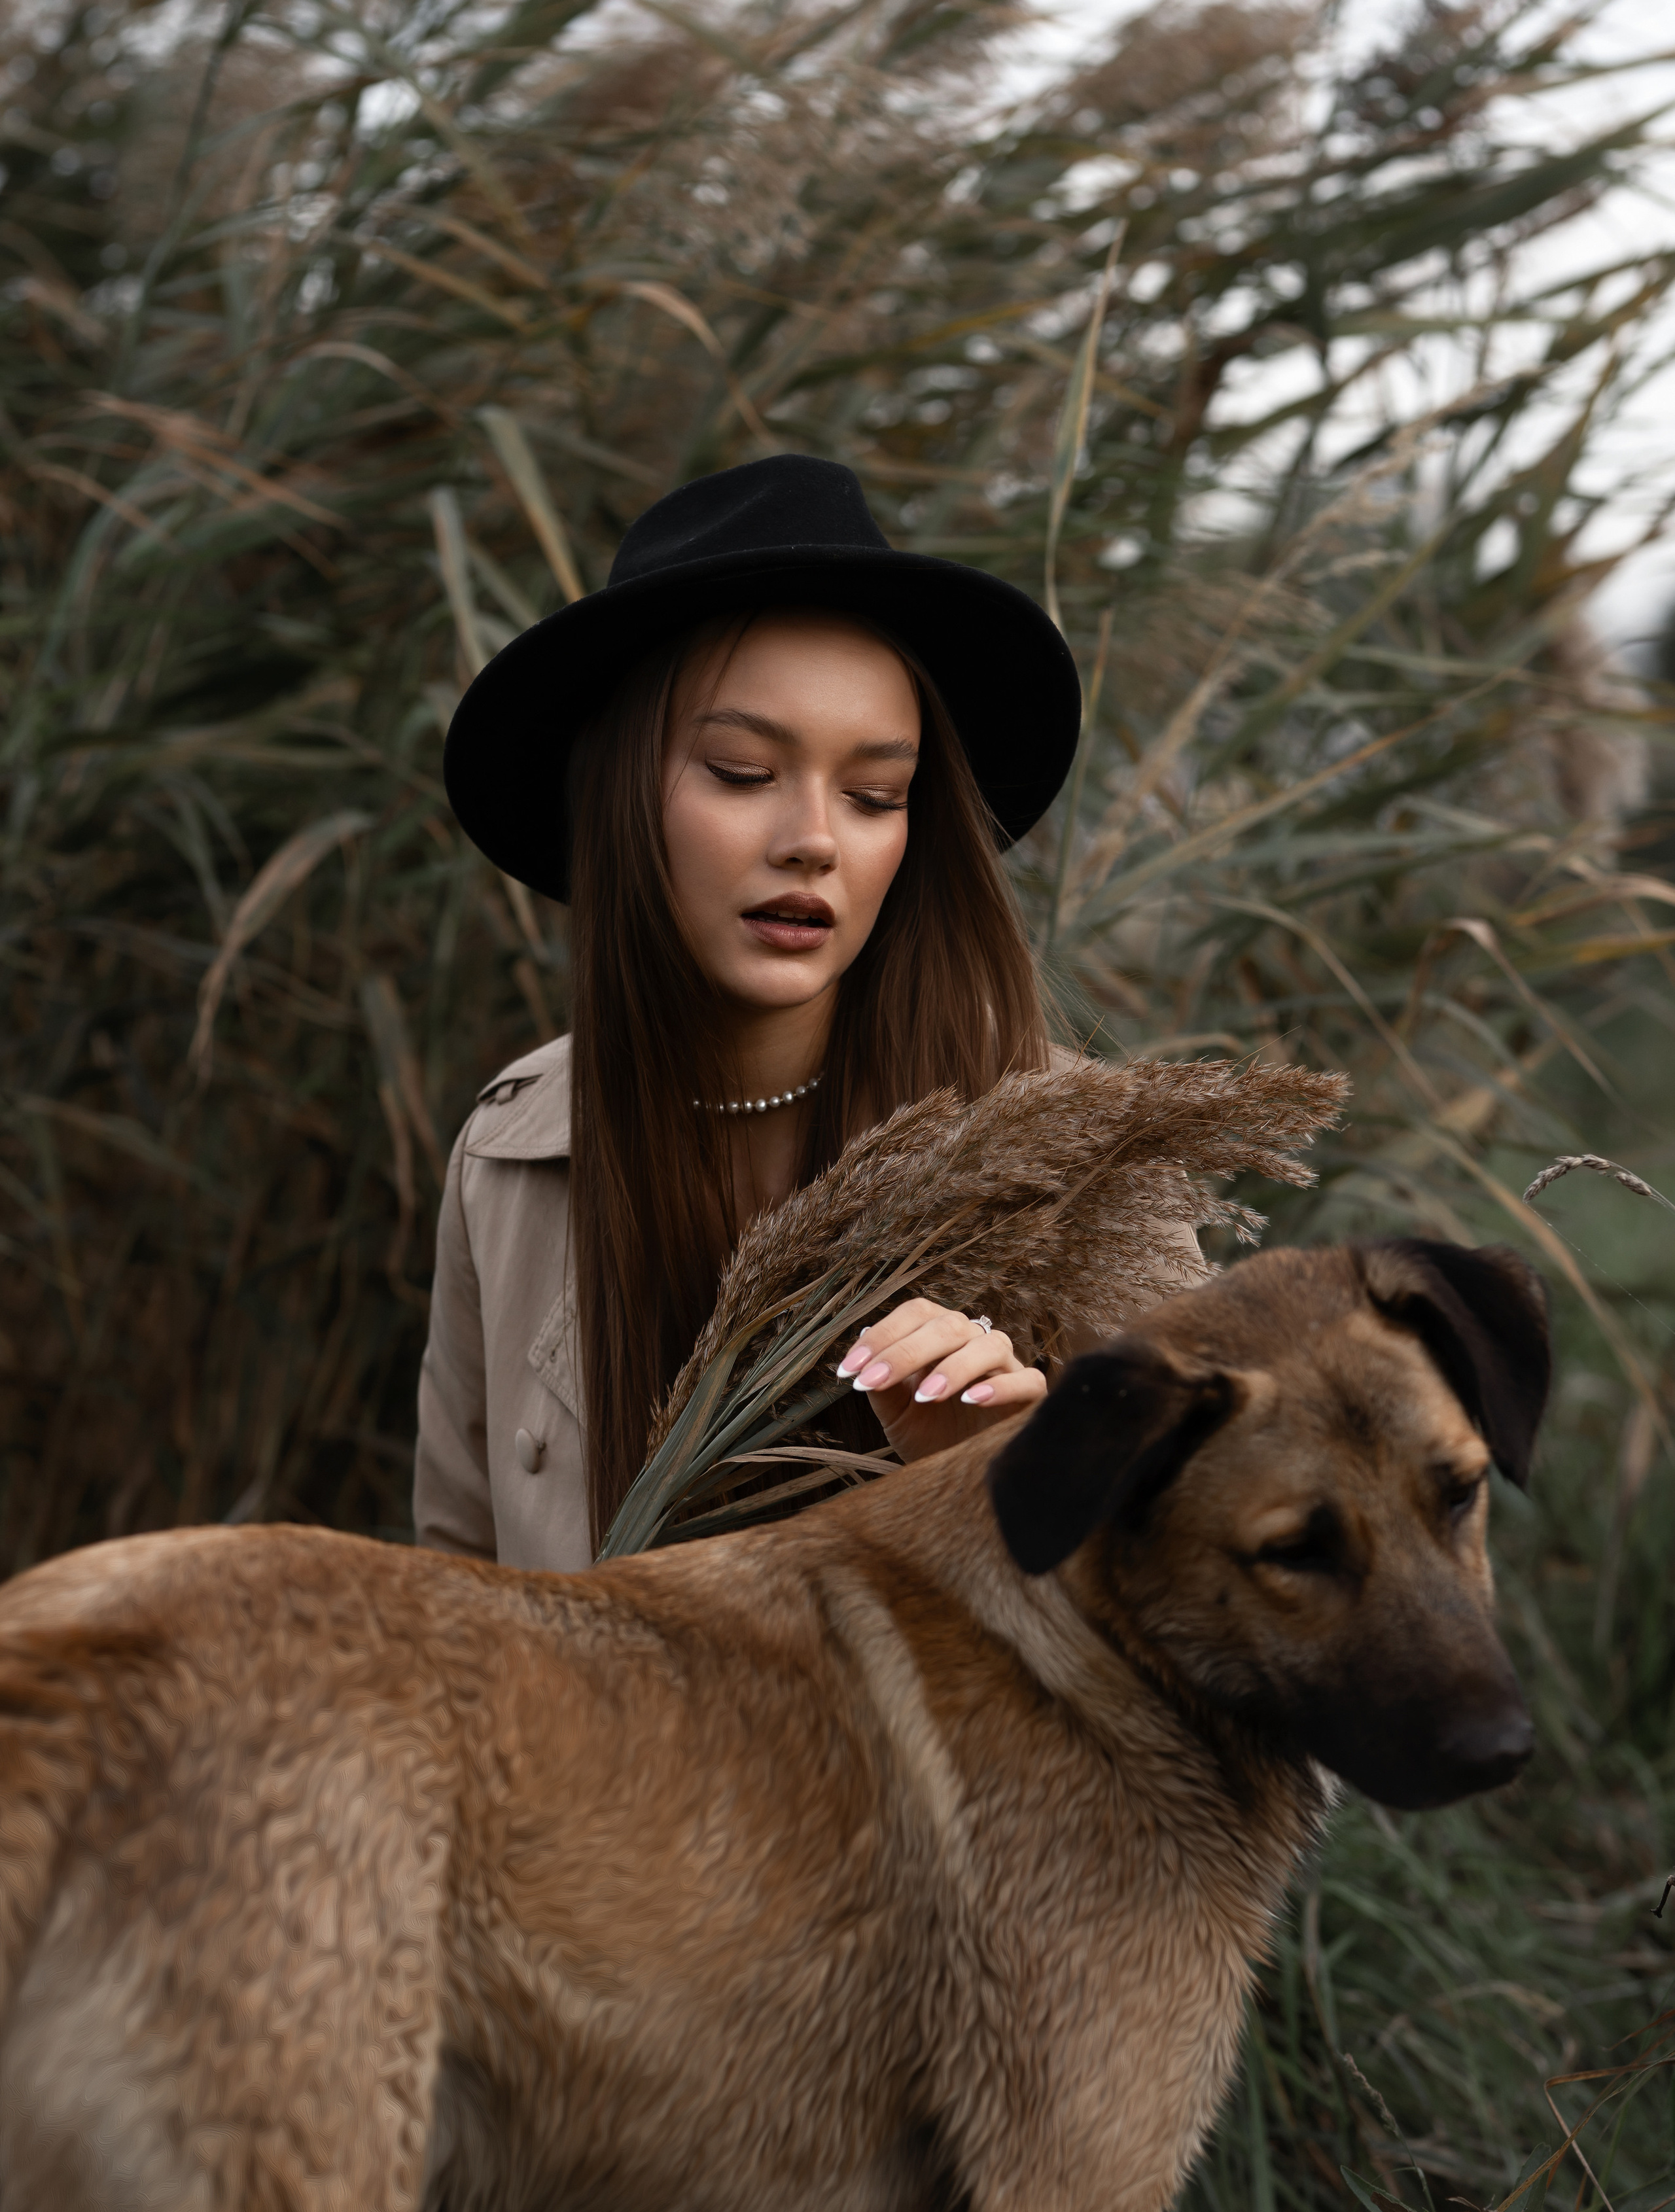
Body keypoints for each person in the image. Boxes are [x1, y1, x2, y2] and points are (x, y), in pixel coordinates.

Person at [416, 453, 1200, 1571]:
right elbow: (456, 1609)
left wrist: (998, 1490)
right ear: (621, 797)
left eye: (876, 795)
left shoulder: (1082, 1163)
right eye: (741, 772)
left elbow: (1233, 1636)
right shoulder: (512, 1155)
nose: (815, 839)